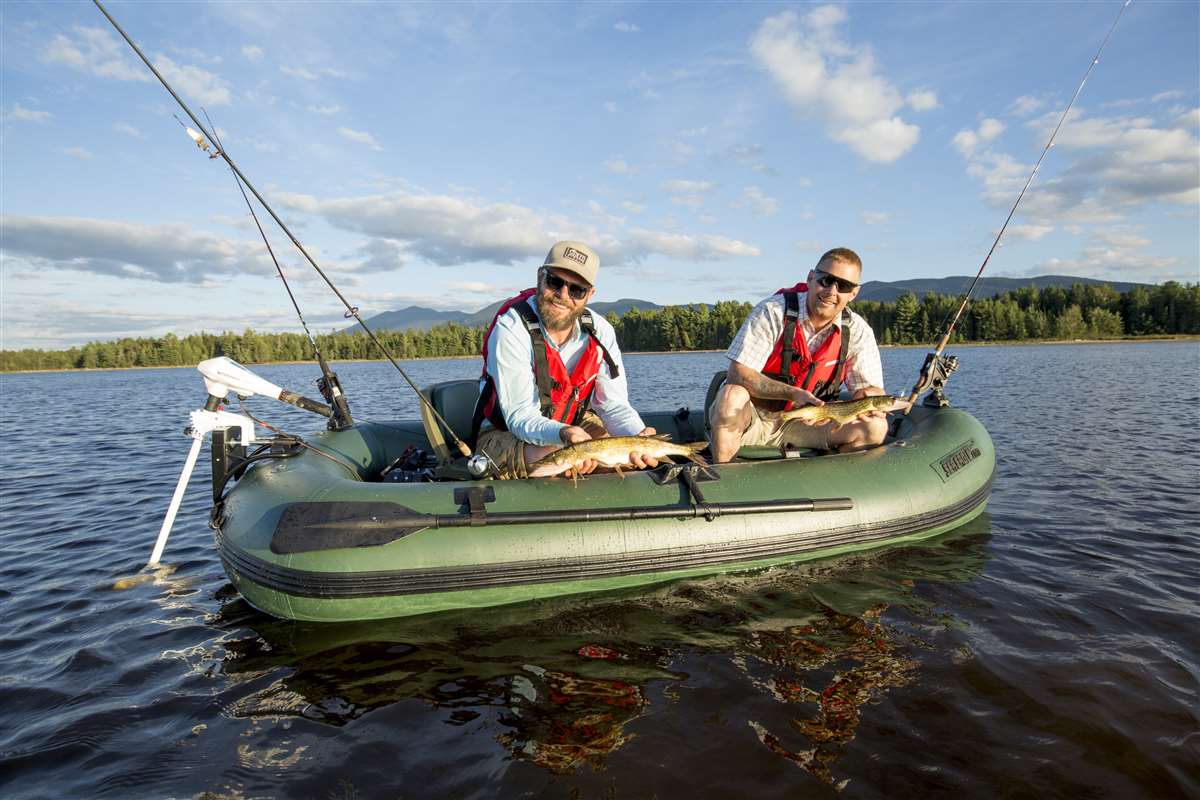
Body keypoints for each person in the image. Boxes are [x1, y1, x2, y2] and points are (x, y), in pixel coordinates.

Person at [472, 241, 660, 479]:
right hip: (506, 431)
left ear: (590, 294)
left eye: (576, 290)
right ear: (541, 276)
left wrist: (637, 435)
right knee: (556, 457)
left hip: (573, 427)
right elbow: (520, 416)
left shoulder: (600, 331)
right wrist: (564, 435)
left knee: (623, 455)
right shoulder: (510, 328)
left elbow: (613, 405)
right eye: (555, 282)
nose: (562, 295)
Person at [708, 247, 887, 462]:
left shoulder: (858, 331)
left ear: (853, 293)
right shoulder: (772, 311)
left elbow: (866, 390)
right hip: (755, 419)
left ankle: (829, 481)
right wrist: (792, 394)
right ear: (811, 278)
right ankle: (724, 479)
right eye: (825, 280)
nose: (831, 291)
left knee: (876, 427)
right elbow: (738, 374)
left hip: (811, 423)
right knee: (731, 395)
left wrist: (871, 396)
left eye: (844, 286)